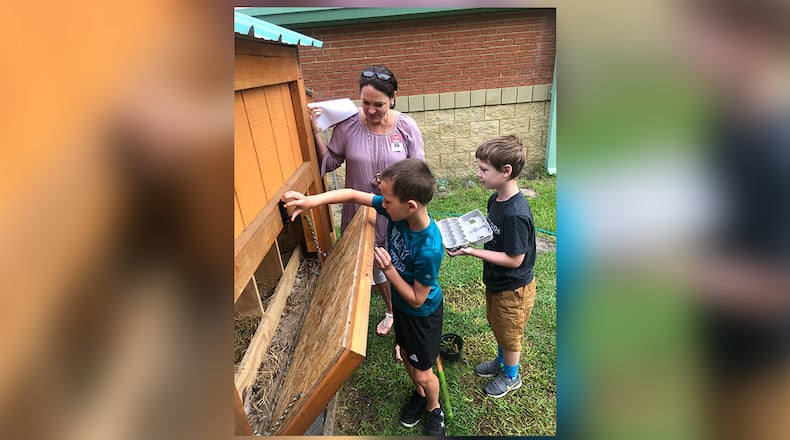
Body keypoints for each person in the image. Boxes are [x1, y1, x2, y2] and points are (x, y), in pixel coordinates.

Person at [282, 158, 446, 435]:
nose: (382, 203)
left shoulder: (429, 247)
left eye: (388, 200)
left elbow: (418, 298)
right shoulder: (399, 211)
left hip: (423, 314)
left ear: (410, 206)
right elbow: (353, 194)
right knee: (406, 356)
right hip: (405, 309)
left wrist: (390, 270)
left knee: (422, 372)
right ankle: (419, 394)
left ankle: (433, 406)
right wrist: (310, 202)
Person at [308, 65, 426, 338]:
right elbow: (332, 161)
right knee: (370, 262)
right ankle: (390, 309)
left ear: (393, 98)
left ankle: (410, 309)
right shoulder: (348, 124)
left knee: (398, 261)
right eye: (365, 103)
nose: (371, 110)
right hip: (360, 209)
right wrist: (315, 132)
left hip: (396, 213)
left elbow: (418, 173)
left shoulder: (406, 127)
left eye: (379, 105)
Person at [447, 135, 537, 398]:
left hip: (514, 288)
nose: (479, 174)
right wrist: (467, 235)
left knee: (509, 332)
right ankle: (501, 362)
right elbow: (489, 233)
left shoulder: (516, 214)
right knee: (498, 324)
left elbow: (515, 259)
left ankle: (511, 375)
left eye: (484, 169)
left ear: (506, 171)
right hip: (498, 282)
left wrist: (472, 252)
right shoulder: (496, 200)